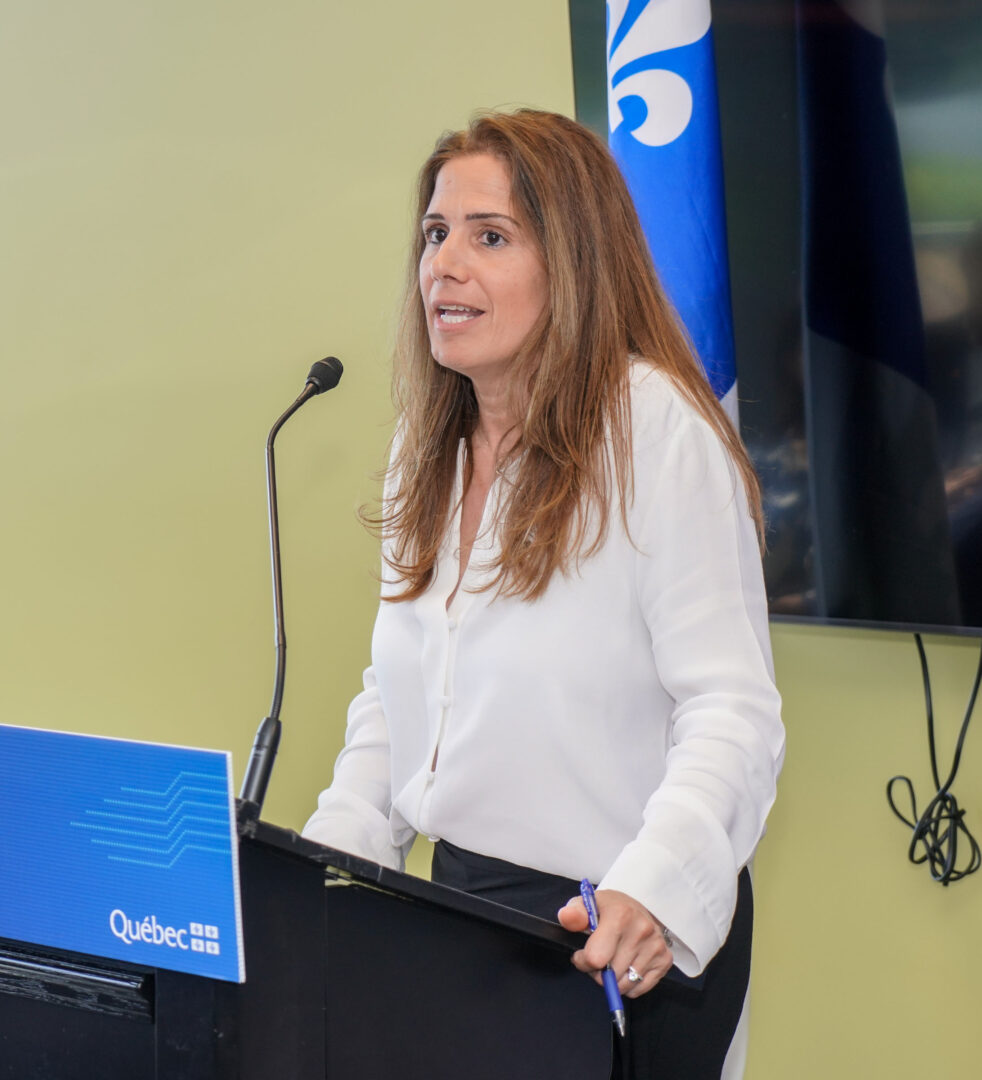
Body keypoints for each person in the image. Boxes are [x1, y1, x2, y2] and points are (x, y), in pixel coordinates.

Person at [302, 109, 784, 1079]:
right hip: (464, 916)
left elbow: (732, 710)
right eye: (434, 234)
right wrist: (324, 866)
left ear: (575, 262)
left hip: (619, 930)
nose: (443, 264)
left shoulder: (655, 434)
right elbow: (401, 698)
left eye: (490, 236)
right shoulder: (426, 446)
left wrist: (653, 888)